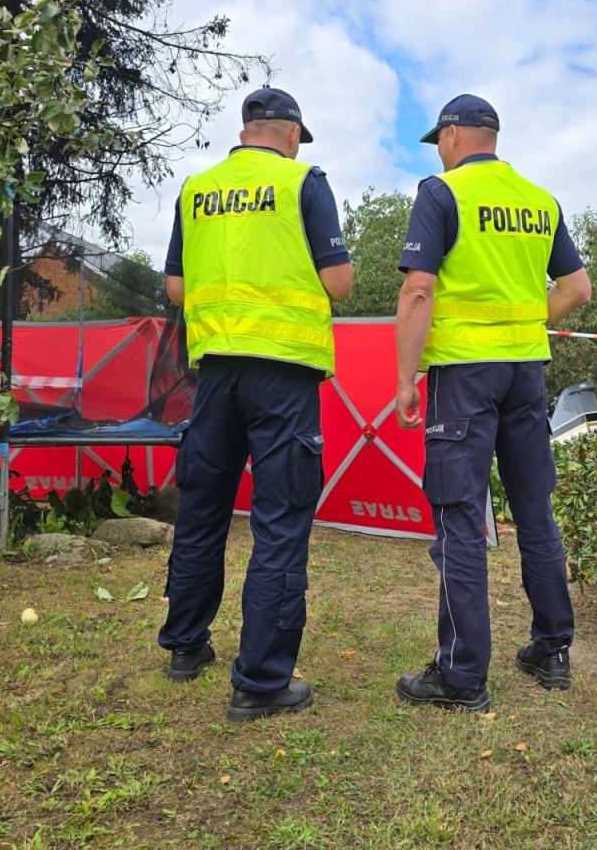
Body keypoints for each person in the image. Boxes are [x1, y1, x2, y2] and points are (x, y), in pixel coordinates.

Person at [157, 88, 353, 722]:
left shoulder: (197, 188)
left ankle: (186, 648)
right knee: (279, 523)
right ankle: (263, 682)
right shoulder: (305, 182)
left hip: (213, 374)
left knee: (202, 514)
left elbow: (177, 288)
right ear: (292, 132)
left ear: (245, 130)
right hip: (284, 378)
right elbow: (339, 282)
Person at [392, 94, 592, 711]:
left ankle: (461, 677)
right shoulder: (540, 200)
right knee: (534, 510)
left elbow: (419, 290)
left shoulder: (441, 194)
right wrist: (524, 325)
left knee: (459, 515)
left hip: (464, 378)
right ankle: (551, 651)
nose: (440, 152)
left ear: (453, 136)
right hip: (526, 372)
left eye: (440, 140)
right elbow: (577, 288)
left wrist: (405, 379)